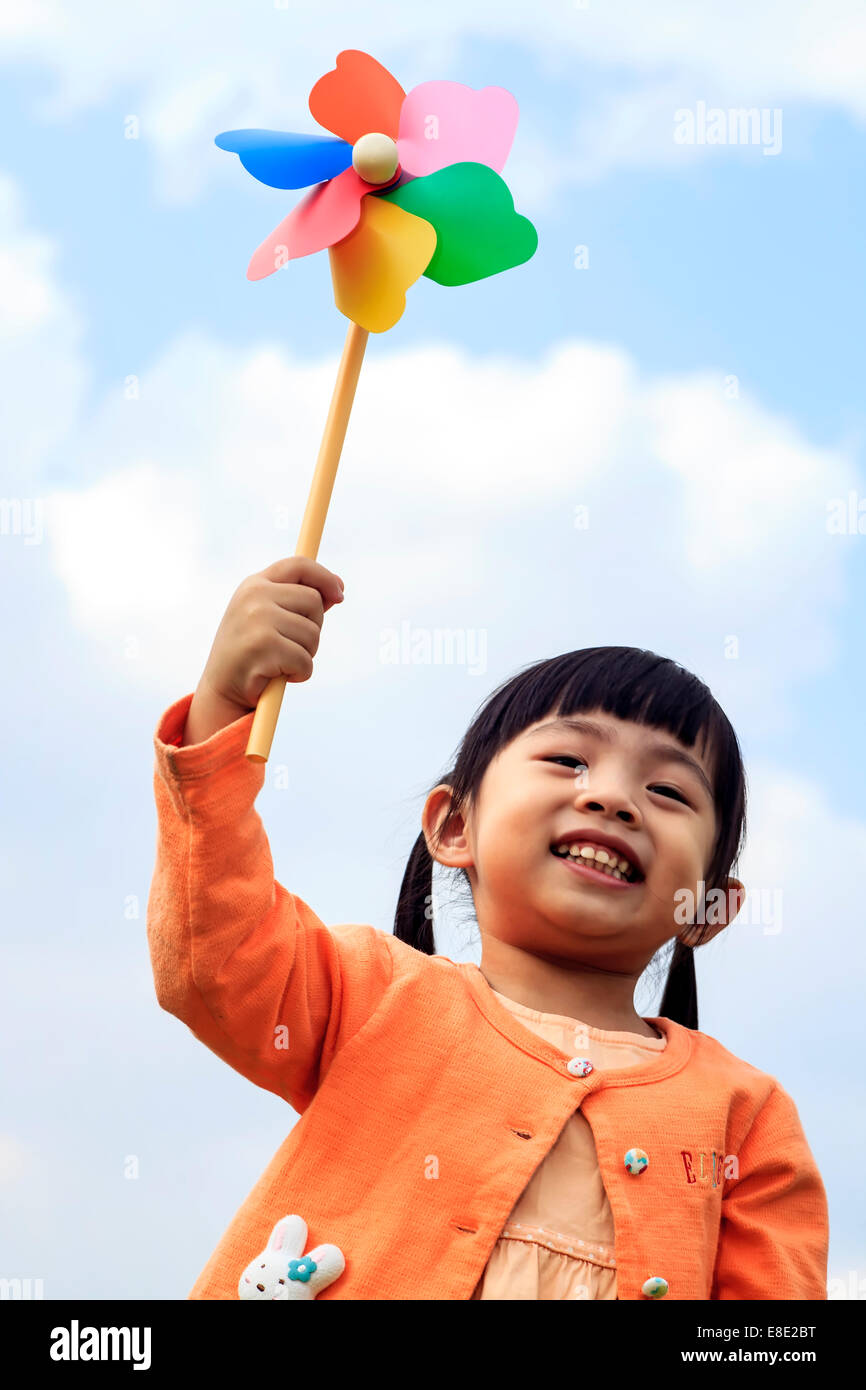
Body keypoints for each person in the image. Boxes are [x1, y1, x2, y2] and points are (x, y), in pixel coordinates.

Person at [146, 555, 829, 1300]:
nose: (612, 798)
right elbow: (214, 956)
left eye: (667, 789)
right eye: (568, 759)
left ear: (711, 910)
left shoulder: (748, 1116)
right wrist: (221, 706)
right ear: (454, 825)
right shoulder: (370, 997)